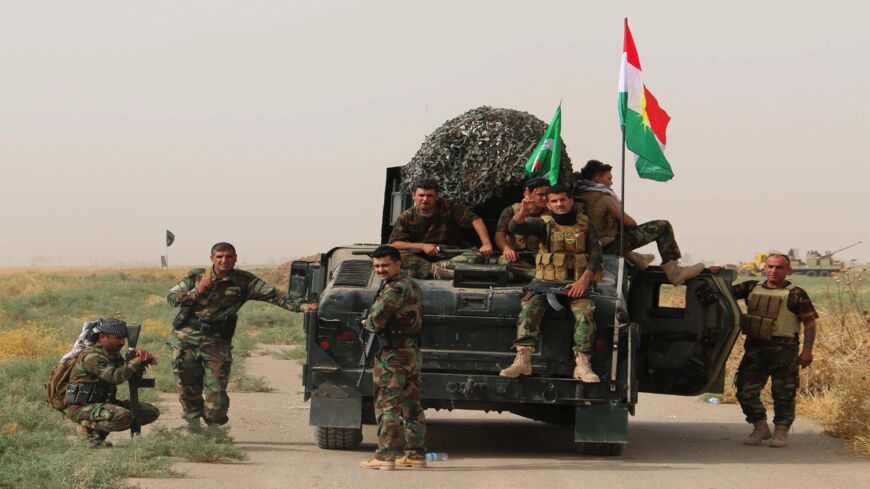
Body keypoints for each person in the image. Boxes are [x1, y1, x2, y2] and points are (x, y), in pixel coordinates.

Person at [167, 242, 318, 428]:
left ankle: (214, 427)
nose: (224, 260)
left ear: (235, 258)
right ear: (212, 259)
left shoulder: (245, 281)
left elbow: (275, 295)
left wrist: (302, 306)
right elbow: (171, 298)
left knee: (217, 393)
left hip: (216, 342)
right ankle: (194, 427)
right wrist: (196, 292)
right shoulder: (196, 276)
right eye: (219, 256)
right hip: (185, 340)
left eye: (228, 256)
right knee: (187, 387)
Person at [499, 185, 603, 382]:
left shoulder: (586, 225)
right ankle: (523, 359)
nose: (559, 204)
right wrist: (523, 209)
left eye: (562, 200)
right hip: (545, 284)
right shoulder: (542, 224)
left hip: (575, 285)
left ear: (571, 201)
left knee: (586, 313)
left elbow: (596, 255)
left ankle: (582, 364)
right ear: (548, 203)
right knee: (529, 308)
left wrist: (583, 281)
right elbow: (515, 228)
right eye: (554, 201)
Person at [727, 254, 818, 448]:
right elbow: (721, 293)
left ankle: (781, 431)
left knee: (783, 394)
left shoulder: (796, 294)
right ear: (764, 268)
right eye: (770, 267)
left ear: (788, 270)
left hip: (784, 351)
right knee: (745, 390)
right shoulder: (751, 287)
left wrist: (807, 350)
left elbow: (809, 322)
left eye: (779, 267)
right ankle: (760, 426)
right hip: (755, 350)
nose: (774, 271)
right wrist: (714, 273)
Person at [574, 159, 702, 285]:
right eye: (609, 179)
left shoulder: (577, 194)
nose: (611, 183)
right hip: (606, 249)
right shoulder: (604, 197)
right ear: (597, 179)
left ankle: (637, 258)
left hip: (587, 248)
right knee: (662, 226)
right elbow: (631, 223)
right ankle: (675, 273)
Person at [358, 245, 426, 471]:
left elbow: (376, 321)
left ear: (398, 264)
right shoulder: (412, 285)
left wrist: (365, 323)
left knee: (387, 405)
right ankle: (415, 455)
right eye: (377, 266)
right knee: (412, 406)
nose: (380, 269)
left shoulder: (394, 290)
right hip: (411, 354)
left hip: (393, 356)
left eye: (385, 265)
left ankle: (385, 456)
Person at [65, 318, 160, 447]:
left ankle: (96, 436)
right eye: (118, 338)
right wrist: (135, 362)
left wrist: (142, 361)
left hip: (104, 404)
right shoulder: (91, 356)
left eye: (123, 338)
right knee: (123, 416)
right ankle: (84, 428)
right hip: (82, 408)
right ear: (103, 337)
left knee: (150, 412)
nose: (122, 342)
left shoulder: (113, 355)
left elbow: (128, 373)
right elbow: (116, 377)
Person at [389, 179, 493, 279]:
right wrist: (422, 246)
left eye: (430, 196)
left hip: (451, 254)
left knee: (477, 255)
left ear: (436, 197)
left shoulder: (450, 207)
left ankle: (432, 269)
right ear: (413, 196)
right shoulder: (406, 216)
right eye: (421, 195)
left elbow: (475, 220)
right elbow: (394, 243)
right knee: (394, 255)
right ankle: (437, 270)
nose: (425, 199)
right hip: (421, 256)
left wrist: (486, 243)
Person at [495, 177, 550, 281]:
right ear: (526, 194)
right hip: (518, 257)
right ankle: (537, 275)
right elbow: (500, 234)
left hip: (541, 257)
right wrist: (506, 249)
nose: (544, 198)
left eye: (547, 194)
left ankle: (533, 275)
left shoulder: (551, 212)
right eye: (540, 194)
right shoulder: (511, 210)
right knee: (506, 261)